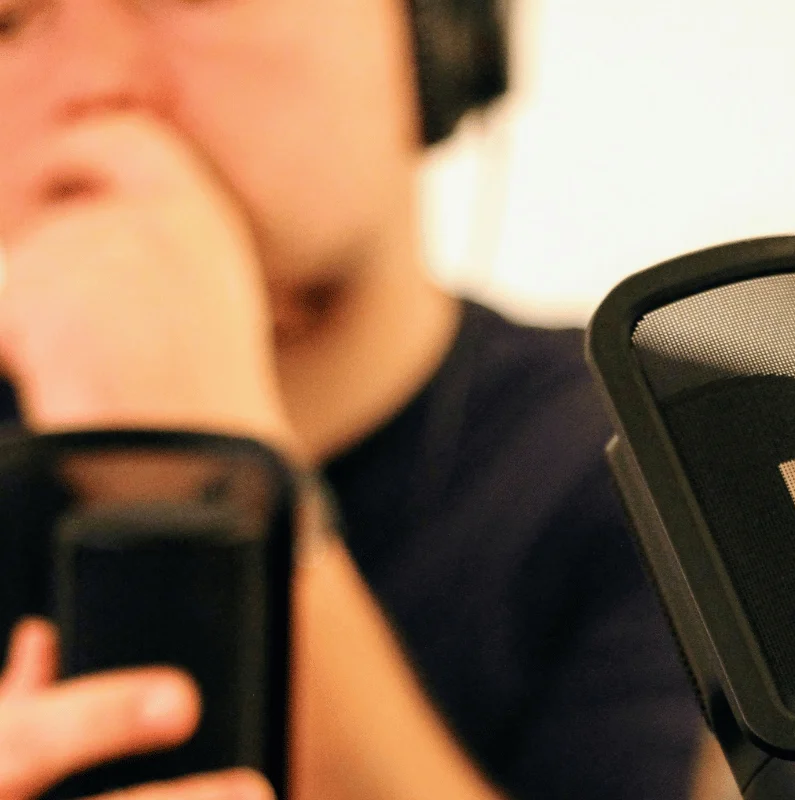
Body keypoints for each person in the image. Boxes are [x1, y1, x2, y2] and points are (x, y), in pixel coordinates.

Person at [0, 1, 705, 798]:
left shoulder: (686, 454)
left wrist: (215, 454)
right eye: (6, 25)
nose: (94, 86)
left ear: (437, 38)